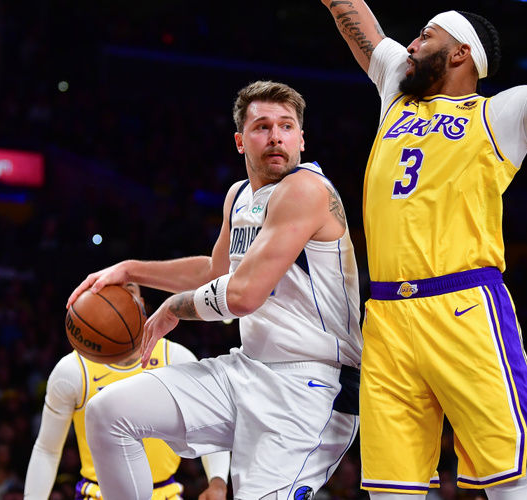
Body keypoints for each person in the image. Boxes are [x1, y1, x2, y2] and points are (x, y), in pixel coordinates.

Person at [319, 1, 527, 499]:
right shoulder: (396, 89)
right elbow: (348, 9)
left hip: (463, 309)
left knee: (513, 484)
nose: (410, 45)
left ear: (461, 53)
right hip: (387, 316)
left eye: (425, 36)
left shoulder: (503, 111)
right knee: (389, 492)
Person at [65, 80, 362, 500]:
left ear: (301, 138)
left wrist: (172, 308)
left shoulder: (306, 190)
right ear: (241, 141)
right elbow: (215, 272)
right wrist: (130, 269)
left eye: (286, 126)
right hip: (249, 369)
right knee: (109, 412)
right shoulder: (239, 195)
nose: (276, 136)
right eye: (262, 127)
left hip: (312, 386)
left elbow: (241, 297)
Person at [24, 283, 230, 500]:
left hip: (165, 493)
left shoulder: (177, 358)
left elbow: (211, 428)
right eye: (111, 290)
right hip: (99, 494)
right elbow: (47, 449)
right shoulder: (72, 370)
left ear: (140, 304)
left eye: (128, 289)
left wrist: (218, 482)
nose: (118, 296)